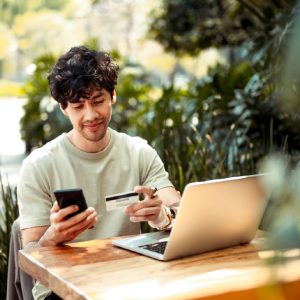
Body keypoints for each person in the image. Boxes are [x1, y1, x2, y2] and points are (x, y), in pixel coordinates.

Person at [17, 45, 181, 300]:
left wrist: (163, 216)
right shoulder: (39, 165)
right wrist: (52, 237)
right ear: (63, 108)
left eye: (98, 101)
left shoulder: (139, 152)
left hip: (131, 280)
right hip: (64, 289)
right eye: (78, 106)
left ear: (112, 96)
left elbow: (181, 211)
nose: (90, 115)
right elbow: (29, 254)